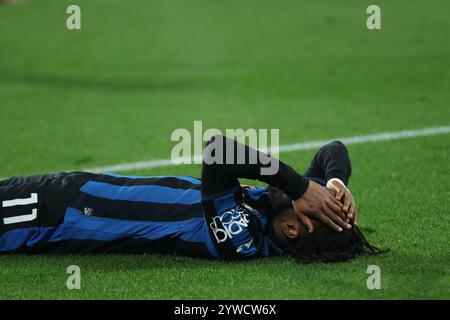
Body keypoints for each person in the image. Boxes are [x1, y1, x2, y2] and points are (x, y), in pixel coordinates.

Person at [0, 135, 383, 262]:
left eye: (318, 208)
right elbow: (333, 149)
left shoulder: (243, 238)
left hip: (51, 218)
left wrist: (300, 188)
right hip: (72, 191)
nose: (311, 197)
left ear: (295, 230)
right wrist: (336, 183)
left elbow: (218, 151)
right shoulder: (278, 204)